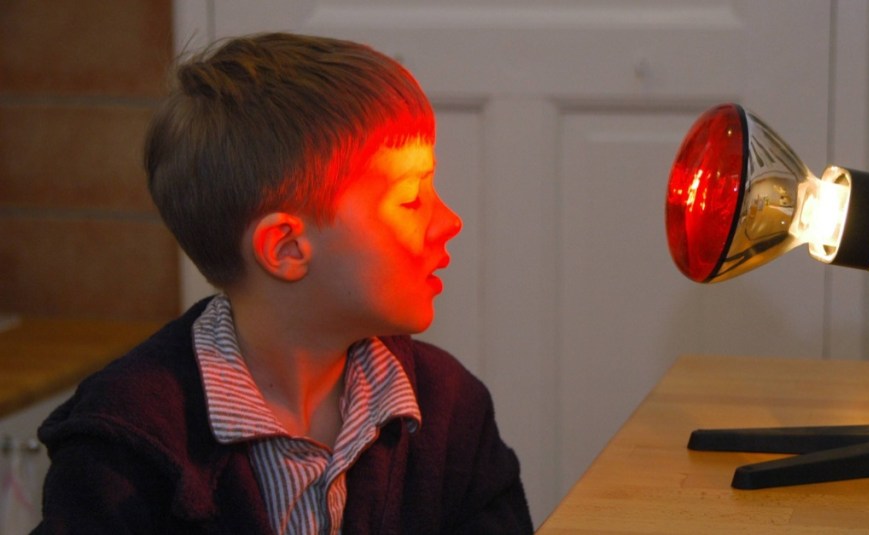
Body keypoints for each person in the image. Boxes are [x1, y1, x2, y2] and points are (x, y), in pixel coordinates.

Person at [32, 32, 532, 534]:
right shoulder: (124, 448)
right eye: (409, 199)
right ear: (286, 249)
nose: (449, 222)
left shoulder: (446, 407)